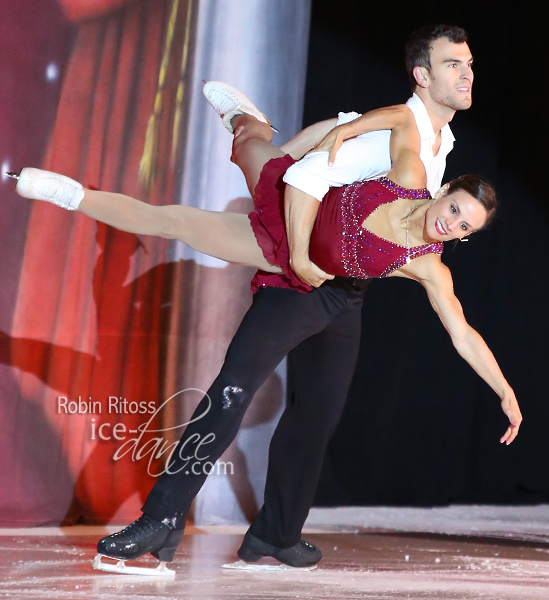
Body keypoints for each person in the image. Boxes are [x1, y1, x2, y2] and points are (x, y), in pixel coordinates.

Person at [11, 65, 522, 576]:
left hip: (340, 296)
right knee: (226, 363)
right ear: (446, 187)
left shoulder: (428, 265)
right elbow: (394, 122)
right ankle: (160, 519)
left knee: (318, 413)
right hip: (286, 241)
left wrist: (504, 390)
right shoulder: (409, 173)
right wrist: (334, 136)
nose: (450, 224)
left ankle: (275, 536)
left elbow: (463, 333)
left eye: (463, 227)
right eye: (455, 207)